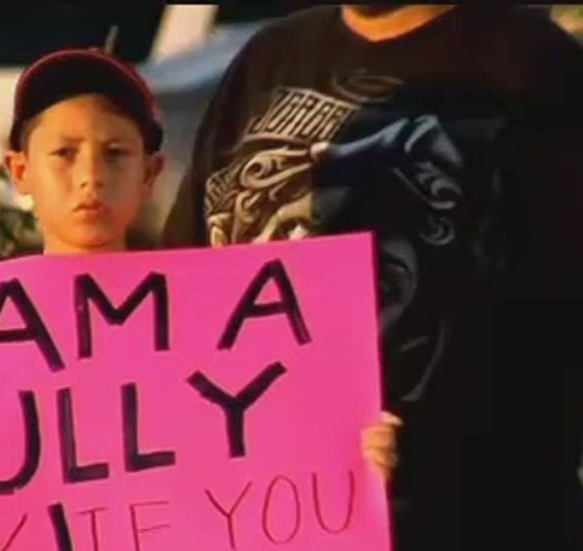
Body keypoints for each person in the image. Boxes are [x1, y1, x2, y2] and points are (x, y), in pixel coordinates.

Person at [0, 48, 404, 551]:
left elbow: (280, 480)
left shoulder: (219, 325)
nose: (91, 174)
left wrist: (358, 457)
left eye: (115, 153)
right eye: (64, 153)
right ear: (19, 170)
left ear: (149, 173)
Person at [161, 4, 583, 550]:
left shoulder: (536, 65)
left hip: (474, 520)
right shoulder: (270, 57)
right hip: (277, 522)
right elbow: (185, 284)